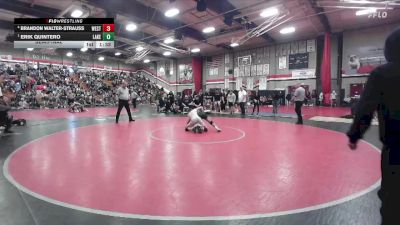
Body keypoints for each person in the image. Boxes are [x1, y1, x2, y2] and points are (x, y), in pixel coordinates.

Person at [347, 28, 400, 225]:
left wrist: (354, 135)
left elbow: (366, 108)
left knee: (393, 203)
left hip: (396, 150)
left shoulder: (383, 74)